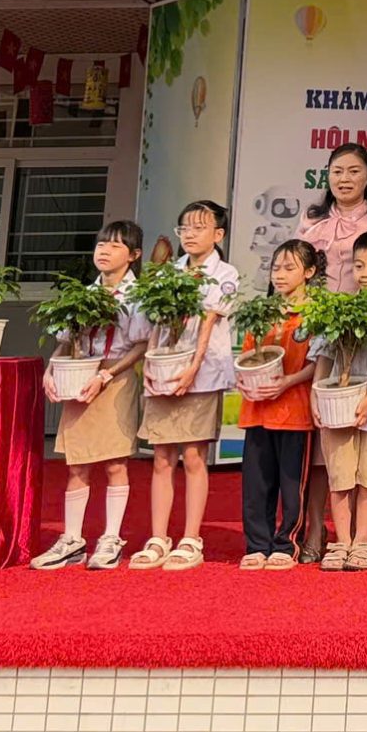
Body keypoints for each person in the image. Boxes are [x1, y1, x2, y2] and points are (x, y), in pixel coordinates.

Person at [31, 220, 150, 571]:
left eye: (114, 246)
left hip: (115, 379)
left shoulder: (136, 296)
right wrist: (51, 369)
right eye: (101, 244)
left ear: (134, 255)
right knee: (77, 463)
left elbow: (141, 345)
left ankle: (111, 538)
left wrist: (107, 374)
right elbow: (65, 338)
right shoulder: (82, 292)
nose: (104, 251)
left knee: (115, 462)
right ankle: (72, 539)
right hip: (80, 376)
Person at [131, 200, 238, 574]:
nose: (190, 235)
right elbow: (154, 325)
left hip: (202, 375)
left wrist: (193, 367)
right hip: (163, 372)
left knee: (193, 455)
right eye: (185, 228)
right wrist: (148, 363)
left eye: (199, 227)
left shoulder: (225, 273)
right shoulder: (168, 273)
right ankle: (158, 537)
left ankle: (192, 538)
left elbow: (209, 320)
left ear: (218, 234)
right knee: (162, 457)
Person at [315, 228, 367, 571]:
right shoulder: (340, 307)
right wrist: (316, 394)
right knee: (340, 475)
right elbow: (323, 353)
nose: (365, 273)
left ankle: (362, 541)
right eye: (359, 266)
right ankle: (341, 541)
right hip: (338, 401)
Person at [237, 239, 320, 569]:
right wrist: (245, 379)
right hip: (257, 410)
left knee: (292, 484)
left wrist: (287, 381)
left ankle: (287, 544)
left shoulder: (315, 314)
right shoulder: (262, 314)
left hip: (295, 412)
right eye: (276, 268)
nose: (280, 275)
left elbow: (318, 362)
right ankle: (257, 544)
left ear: (309, 272)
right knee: (256, 485)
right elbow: (247, 356)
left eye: (289, 268)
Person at [301, 143, 367, 295]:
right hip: (313, 306)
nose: (344, 179)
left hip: (365, 308)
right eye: (337, 172)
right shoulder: (312, 218)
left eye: (354, 171)